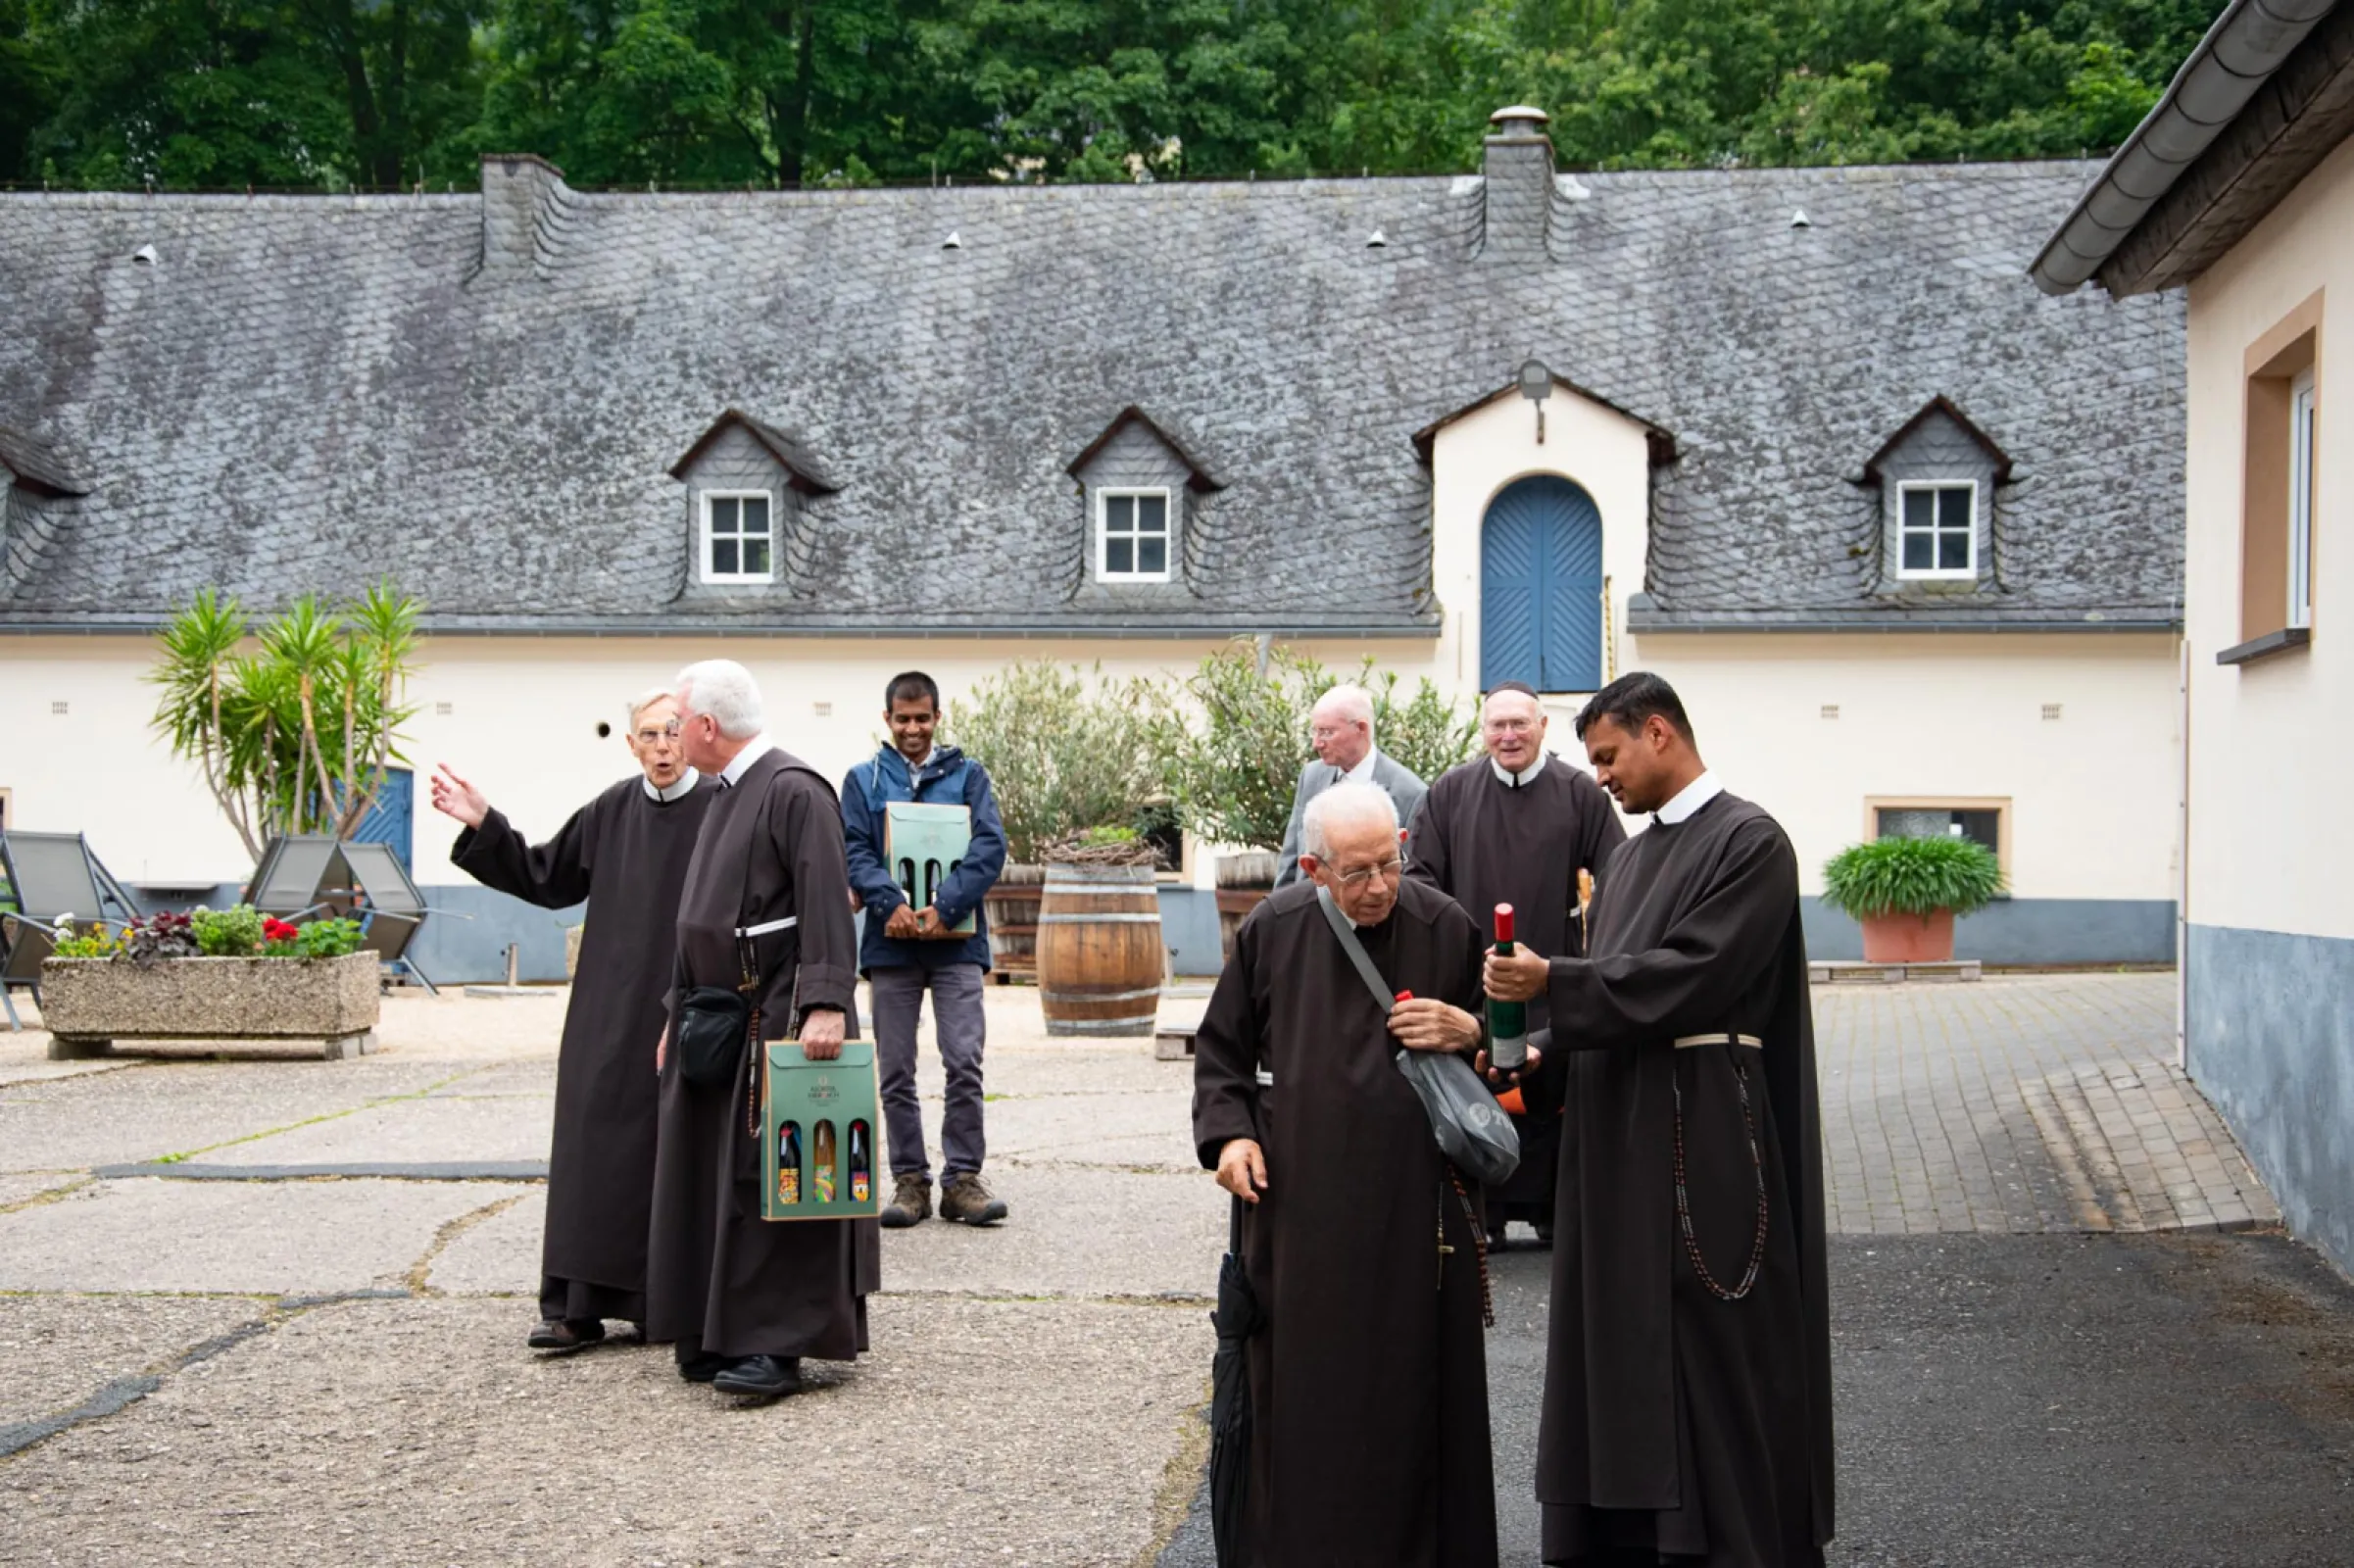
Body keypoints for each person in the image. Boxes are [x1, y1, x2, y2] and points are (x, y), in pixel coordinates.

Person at [1482, 672, 1833, 1566]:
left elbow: (1692, 975)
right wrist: (1529, 1055)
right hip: (1611, 1143)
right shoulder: (1631, 859)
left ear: (1660, 732)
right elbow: (1612, 1003)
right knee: (1618, 1346)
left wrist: (1555, 981)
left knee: (1701, 1344)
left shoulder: (1750, 843)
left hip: (1699, 1129)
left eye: (1608, 757)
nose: (1600, 777)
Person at [1193, 780, 1499, 1568]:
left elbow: (1512, 1050)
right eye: (1356, 873)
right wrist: (1230, 1139)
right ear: (1313, 867)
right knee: (1306, 1405)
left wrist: (1469, 1027)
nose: (1379, 888)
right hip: (1301, 1215)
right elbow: (1222, 1054)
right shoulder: (1276, 928)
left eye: (1389, 865)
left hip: (1419, 1213)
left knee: (1415, 1404)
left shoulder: (1444, 924)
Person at [430, 689, 715, 1354]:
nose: (664, 747)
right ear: (631, 744)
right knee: (593, 1146)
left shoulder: (721, 808)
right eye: (649, 735)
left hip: (691, 1001)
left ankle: (661, 1303)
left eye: (674, 732)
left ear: (694, 735)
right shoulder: (612, 808)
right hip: (608, 1007)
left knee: (677, 1151)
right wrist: (482, 823)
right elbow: (545, 874)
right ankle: (574, 1307)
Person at [646, 659, 878, 1400]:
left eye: (678, 723)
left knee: (775, 1176)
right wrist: (674, 1009)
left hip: (779, 1013)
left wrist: (826, 1002)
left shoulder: (792, 789)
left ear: (706, 728)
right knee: (718, 1177)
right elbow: (699, 916)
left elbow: (823, 902)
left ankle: (776, 1345)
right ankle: (721, 1330)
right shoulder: (727, 791)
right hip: (717, 1015)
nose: (672, 737)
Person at [1407, 682, 1625, 1243]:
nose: (1509, 736)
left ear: (1542, 728)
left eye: (1520, 724)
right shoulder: (1450, 793)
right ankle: (1488, 1215)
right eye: (1497, 725)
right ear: (1483, 731)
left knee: (1551, 1087)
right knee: (1478, 1086)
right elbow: (1421, 883)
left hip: (1552, 976)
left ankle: (1556, 1213)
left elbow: (1619, 876)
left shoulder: (1581, 794)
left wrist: (1597, 956)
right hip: (1472, 980)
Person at [840, 670, 1010, 1229]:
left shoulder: (969, 776)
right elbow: (855, 849)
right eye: (903, 718)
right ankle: (910, 1180)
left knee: (964, 1062)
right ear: (886, 720)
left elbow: (989, 847)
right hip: (891, 948)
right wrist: (892, 903)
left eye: (922, 718)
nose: (913, 728)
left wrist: (946, 906)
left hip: (957, 947)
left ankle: (962, 1180)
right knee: (895, 1071)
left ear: (938, 718)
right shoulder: (862, 781)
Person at [1272, 683, 1429, 890]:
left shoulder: (1410, 793)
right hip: (1307, 912)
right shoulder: (1312, 776)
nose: (1316, 743)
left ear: (1361, 729)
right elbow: (1291, 859)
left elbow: (1406, 879)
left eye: (1327, 732)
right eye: (1315, 731)